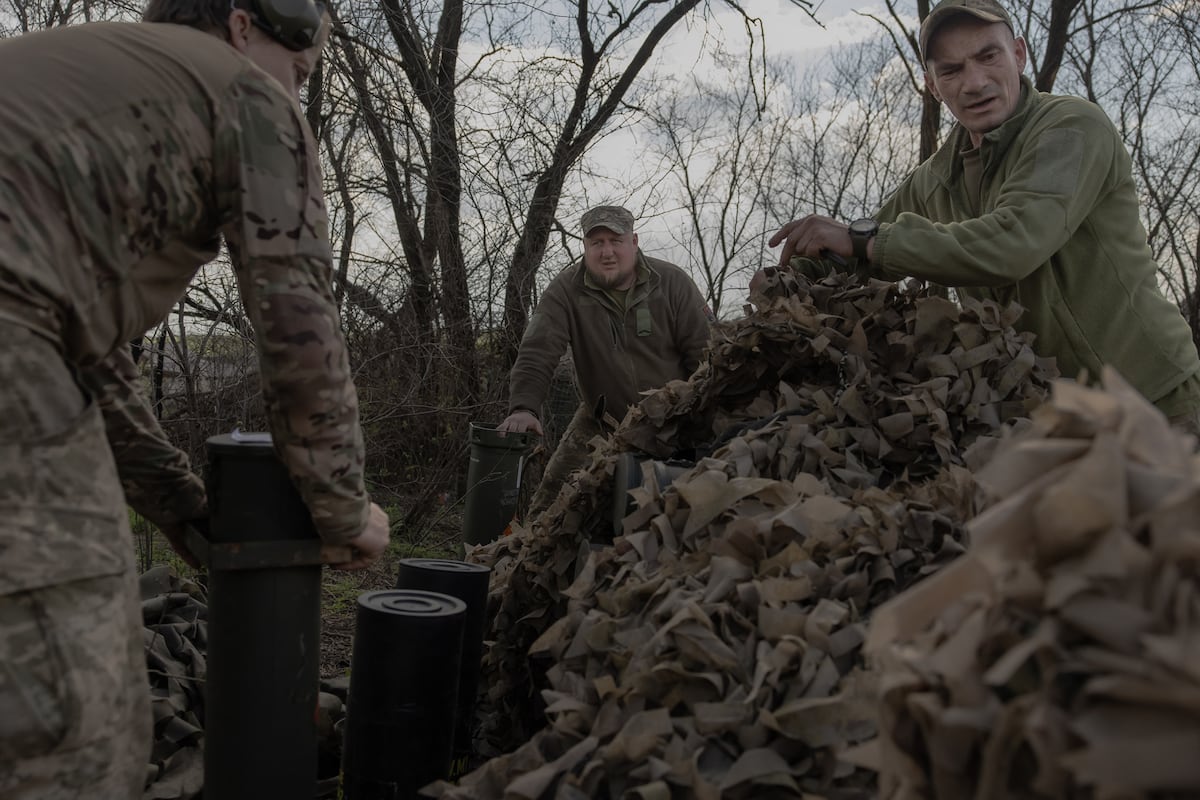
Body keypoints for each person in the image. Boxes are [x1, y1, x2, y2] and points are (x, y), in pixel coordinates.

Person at [0, 1, 390, 796]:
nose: (299, 93)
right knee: (77, 719)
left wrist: (179, 507)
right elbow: (296, 318)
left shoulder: (79, 80)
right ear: (244, 27)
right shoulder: (243, 95)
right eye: (303, 72)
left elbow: (91, 363)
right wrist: (345, 508)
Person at [767, 0, 1200, 431]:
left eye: (987, 56)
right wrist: (789, 279)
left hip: (1155, 402)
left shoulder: (1070, 128)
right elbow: (860, 253)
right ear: (933, 86)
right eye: (951, 70)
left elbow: (1012, 244)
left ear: (1018, 54)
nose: (974, 82)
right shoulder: (935, 179)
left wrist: (865, 239)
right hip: (1053, 422)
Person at [498, 206, 713, 520]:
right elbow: (537, 351)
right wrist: (524, 407)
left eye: (616, 240)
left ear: (634, 242)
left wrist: (703, 420)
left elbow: (706, 355)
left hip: (674, 422)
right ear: (585, 247)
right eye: (596, 242)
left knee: (678, 513)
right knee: (548, 511)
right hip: (601, 420)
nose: (607, 251)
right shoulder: (565, 291)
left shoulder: (672, 283)